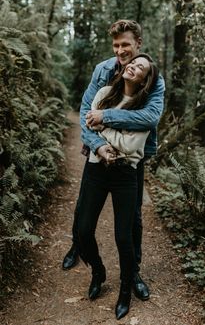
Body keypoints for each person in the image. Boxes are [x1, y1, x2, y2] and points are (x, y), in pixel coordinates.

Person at [62, 20, 165, 302]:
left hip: (132, 158)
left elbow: (149, 118)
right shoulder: (103, 71)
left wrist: (105, 118)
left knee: (132, 220)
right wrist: (97, 145)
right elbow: (86, 110)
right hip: (97, 153)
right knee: (85, 206)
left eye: (126, 45)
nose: (120, 51)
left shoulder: (153, 77)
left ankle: (133, 275)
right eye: (116, 45)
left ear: (138, 44)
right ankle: (78, 248)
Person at [77, 53, 158, 320]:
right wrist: (103, 143)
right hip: (96, 167)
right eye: (133, 62)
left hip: (125, 172)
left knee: (124, 237)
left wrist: (104, 125)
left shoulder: (143, 108)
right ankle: (98, 270)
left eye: (140, 67)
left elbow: (132, 146)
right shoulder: (103, 92)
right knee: (83, 230)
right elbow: (89, 124)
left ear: (146, 79)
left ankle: (125, 289)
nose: (133, 66)